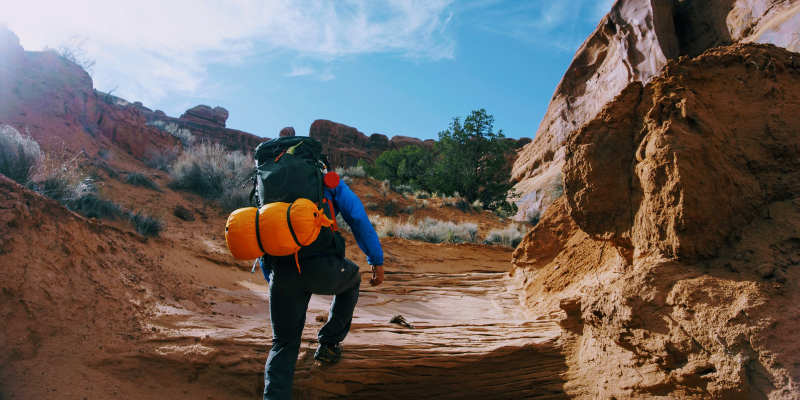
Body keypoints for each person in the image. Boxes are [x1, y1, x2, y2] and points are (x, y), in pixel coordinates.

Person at [262, 174, 384, 400]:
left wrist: (271, 278)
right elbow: (357, 218)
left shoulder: (270, 180)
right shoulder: (326, 179)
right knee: (353, 279)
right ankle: (329, 344)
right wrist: (376, 259)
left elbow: (261, 229)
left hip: (283, 271)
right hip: (324, 268)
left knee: (282, 345)